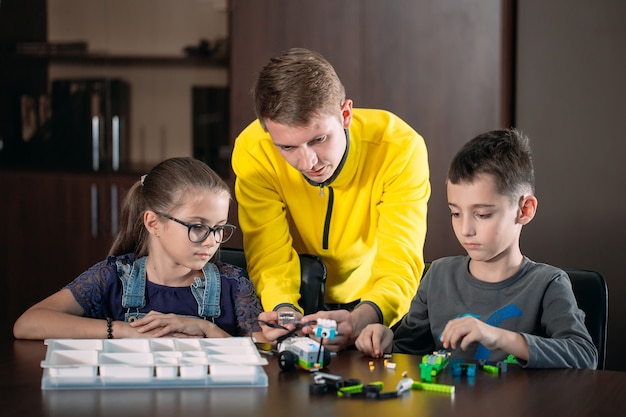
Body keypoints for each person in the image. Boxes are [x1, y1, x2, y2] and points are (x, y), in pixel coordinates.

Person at [231, 47, 430, 351]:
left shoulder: (400, 148)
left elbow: (400, 260)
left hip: (374, 306)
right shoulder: (253, 150)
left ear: (345, 114)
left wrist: (368, 315)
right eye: (287, 148)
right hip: (294, 302)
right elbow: (268, 254)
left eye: (318, 139)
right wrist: (284, 314)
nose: (308, 161)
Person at [355, 129, 598, 369]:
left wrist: (498, 337)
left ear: (524, 210)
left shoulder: (548, 284)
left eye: (482, 214)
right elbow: (408, 351)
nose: (466, 229)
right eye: (456, 213)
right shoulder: (438, 275)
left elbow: (584, 356)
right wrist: (385, 341)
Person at [13, 157, 265, 341]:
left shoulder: (233, 282)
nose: (212, 240)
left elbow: (264, 351)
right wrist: (124, 330)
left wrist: (206, 329)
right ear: (153, 223)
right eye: (198, 226)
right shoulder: (112, 277)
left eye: (219, 228)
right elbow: (28, 324)